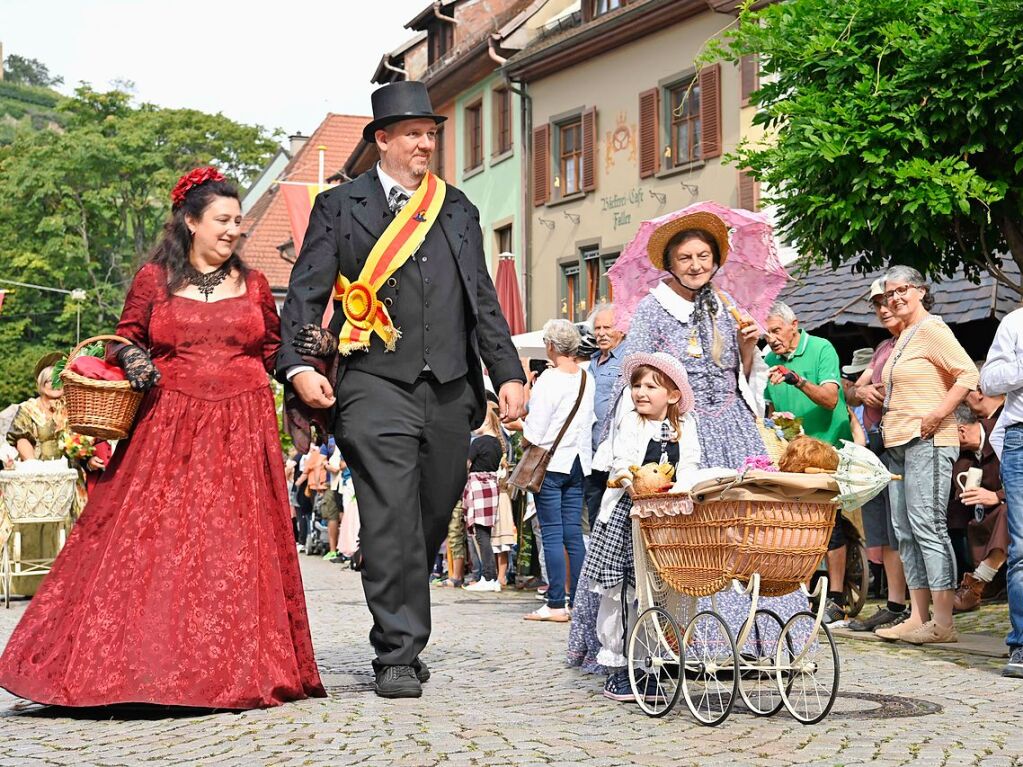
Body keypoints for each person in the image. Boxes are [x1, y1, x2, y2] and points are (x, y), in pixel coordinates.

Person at [0, 167, 324, 708]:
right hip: (167, 425)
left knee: (233, 548)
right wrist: (131, 357)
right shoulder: (153, 279)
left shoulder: (258, 285)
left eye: (238, 221)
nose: (233, 230)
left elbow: (272, 351)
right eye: (223, 220)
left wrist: (305, 357)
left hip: (242, 428)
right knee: (153, 544)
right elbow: (124, 340)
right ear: (191, 222)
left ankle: (232, 669)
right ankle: (144, 667)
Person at [278, 81, 526, 698]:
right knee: (388, 515)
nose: (424, 144)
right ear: (381, 140)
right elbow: (307, 292)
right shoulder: (341, 207)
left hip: (447, 387)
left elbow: (482, 301)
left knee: (428, 513)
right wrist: (297, 366)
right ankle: (396, 650)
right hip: (372, 383)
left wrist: (509, 372)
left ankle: (403, 633)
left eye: (431, 134)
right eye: (413, 133)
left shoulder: (459, 209)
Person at [606, 209, 807, 638]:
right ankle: (691, 636)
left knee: (747, 527)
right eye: (685, 258)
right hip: (680, 429)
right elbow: (636, 372)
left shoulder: (727, 303)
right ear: (670, 264)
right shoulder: (652, 309)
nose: (696, 265)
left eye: (703, 255)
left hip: (734, 427)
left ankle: (757, 635)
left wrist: (747, 346)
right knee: (692, 537)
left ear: (717, 259)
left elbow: (741, 374)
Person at [584, 352, 699, 701]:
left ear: (674, 395)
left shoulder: (685, 426)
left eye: (651, 386)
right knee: (620, 592)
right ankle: (616, 665)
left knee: (652, 592)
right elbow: (622, 461)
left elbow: (691, 463)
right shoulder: (631, 422)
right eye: (636, 385)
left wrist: (685, 490)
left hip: (664, 517)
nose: (641, 392)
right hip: (626, 514)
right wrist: (634, 484)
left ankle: (645, 663)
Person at [874, 265, 977, 645]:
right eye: (889, 294)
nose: (895, 298)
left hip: (929, 440)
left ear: (919, 291)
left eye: (902, 290)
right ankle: (918, 617)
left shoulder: (932, 329)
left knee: (928, 526)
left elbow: (968, 374)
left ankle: (944, 622)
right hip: (899, 443)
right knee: (905, 531)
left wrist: (937, 413)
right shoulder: (904, 336)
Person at [764, 300, 854, 624]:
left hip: (828, 450)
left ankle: (837, 598)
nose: (772, 337)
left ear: (794, 325)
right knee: (795, 527)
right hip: (792, 456)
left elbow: (831, 399)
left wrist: (795, 379)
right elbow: (768, 410)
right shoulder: (768, 359)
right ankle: (799, 594)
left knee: (831, 524)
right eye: (767, 332)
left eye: (776, 330)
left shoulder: (821, 348)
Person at [520, 320, 594, 622]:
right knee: (573, 534)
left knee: (551, 534)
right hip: (578, 461)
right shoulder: (586, 378)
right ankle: (577, 601)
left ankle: (554, 603)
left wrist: (520, 428)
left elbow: (535, 432)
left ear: (550, 345)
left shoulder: (549, 380)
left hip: (550, 463)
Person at [846, 280, 909, 633]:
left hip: (901, 443)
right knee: (882, 531)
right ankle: (893, 603)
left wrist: (883, 396)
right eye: (877, 304)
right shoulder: (883, 347)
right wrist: (864, 389)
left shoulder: (918, 340)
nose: (884, 309)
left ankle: (912, 606)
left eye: (888, 301)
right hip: (874, 447)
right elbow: (853, 393)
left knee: (904, 528)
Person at [980, 307, 1023, 677]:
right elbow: (989, 381)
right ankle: (1022, 644)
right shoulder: (1015, 322)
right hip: (1020, 438)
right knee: (1022, 547)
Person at [949, 398, 1008, 612]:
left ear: (961, 431)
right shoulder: (963, 457)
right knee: (954, 513)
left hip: (1011, 504)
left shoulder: (1003, 433)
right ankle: (961, 579)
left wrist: (998, 495)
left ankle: (977, 584)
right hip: (984, 514)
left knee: (1006, 512)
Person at [585, 302, 625, 529]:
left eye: (607, 327)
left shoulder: (629, 358)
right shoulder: (592, 362)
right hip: (591, 454)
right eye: (597, 328)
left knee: (615, 519)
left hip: (615, 453)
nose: (601, 333)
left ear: (621, 328)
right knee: (594, 518)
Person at [461, 402, 506, 593]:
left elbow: (467, 464)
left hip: (478, 487)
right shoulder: (497, 443)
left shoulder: (479, 443)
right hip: (491, 485)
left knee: (481, 535)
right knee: (484, 532)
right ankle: (491, 576)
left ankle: (488, 576)